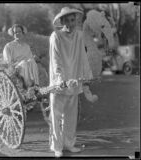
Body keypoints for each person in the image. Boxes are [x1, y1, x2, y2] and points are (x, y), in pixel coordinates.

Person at [49, 7, 98, 157]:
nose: (71, 24)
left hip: (75, 80)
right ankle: (57, 147)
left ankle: (68, 144)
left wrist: (86, 77)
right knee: (56, 116)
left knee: (71, 116)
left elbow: (83, 57)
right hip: (60, 82)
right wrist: (61, 79)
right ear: (62, 21)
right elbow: (56, 60)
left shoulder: (79, 35)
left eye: (73, 20)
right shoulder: (55, 36)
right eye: (67, 21)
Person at [3, 24, 39, 88]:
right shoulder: (9, 46)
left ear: (22, 33)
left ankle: (36, 85)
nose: (17, 33)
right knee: (24, 63)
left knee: (32, 62)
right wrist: (15, 65)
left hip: (27, 67)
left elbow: (30, 58)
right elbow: (8, 62)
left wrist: (33, 58)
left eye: (19, 31)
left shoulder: (26, 46)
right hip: (16, 68)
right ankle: (28, 86)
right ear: (13, 34)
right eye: (15, 32)